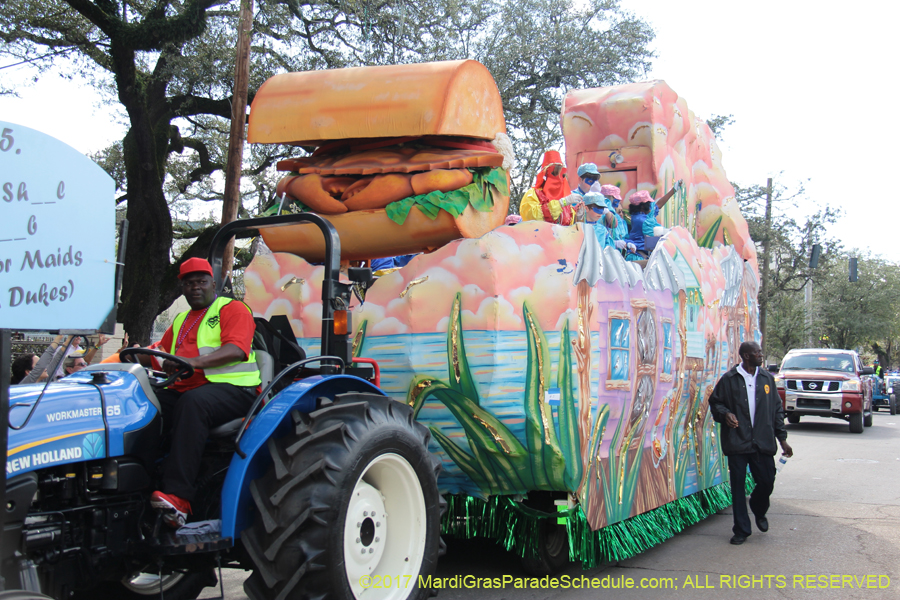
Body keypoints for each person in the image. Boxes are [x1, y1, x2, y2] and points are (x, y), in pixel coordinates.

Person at [149, 257, 261, 528]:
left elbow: (236, 350)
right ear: (183, 288)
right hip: (188, 389)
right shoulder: (180, 320)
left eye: (201, 281)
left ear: (214, 283)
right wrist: (129, 356)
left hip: (237, 390)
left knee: (193, 403)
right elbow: (162, 352)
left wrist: (192, 362)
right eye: (189, 283)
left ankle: (179, 498)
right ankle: (141, 481)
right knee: (145, 403)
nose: (195, 287)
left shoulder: (233, 309)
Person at [709, 341, 793, 545]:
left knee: (767, 481)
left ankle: (758, 508)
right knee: (738, 488)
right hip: (737, 442)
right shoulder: (730, 379)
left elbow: (777, 410)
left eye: (760, 352)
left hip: (762, 442)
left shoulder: (766, 378)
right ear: (746, 356)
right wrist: (725, 414)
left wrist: (782, 440)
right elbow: (715, 402)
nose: (761, 355)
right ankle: (741, 530)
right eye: (757, 353)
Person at [519, 151, 578, 225]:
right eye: (555, 173)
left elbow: (569, 225)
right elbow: (531, 216)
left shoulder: (566, 200)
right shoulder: (533, 194)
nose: (559, 178)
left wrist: (578, 215)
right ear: (545, 174)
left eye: (562, 175)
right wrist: (559, 204)